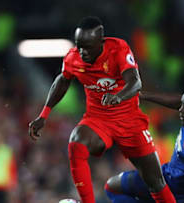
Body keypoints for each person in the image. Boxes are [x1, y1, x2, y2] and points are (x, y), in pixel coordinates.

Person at [28, 16, 176, 203]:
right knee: (76, 141)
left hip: (129, 120)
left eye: (87, 47)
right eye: (79, 45)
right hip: (98, 120)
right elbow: (62, 81)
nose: (82, 52)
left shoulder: (118, 49)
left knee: (155, 181)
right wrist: (44, 115)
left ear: (101, 42)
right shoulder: (74, 58)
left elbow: (135, 82)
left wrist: (118, 96)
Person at [105, 85, 184, 203]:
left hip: (175, 189)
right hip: (166, 172)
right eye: (183, 105)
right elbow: (181, 100)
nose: (181, 110)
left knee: (113, 189)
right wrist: (141, 95)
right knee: (111, 187)